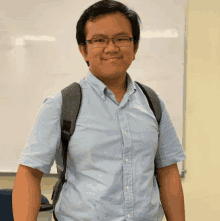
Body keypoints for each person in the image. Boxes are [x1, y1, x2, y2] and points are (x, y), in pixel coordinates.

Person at [12, 0, 186, 220]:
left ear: (135, 47)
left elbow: (168, 171)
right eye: (99, 40)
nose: (111, 48)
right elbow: (29, 173)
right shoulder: (62, 104)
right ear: (84, 50)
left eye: (121, 38)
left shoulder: (153, 103)